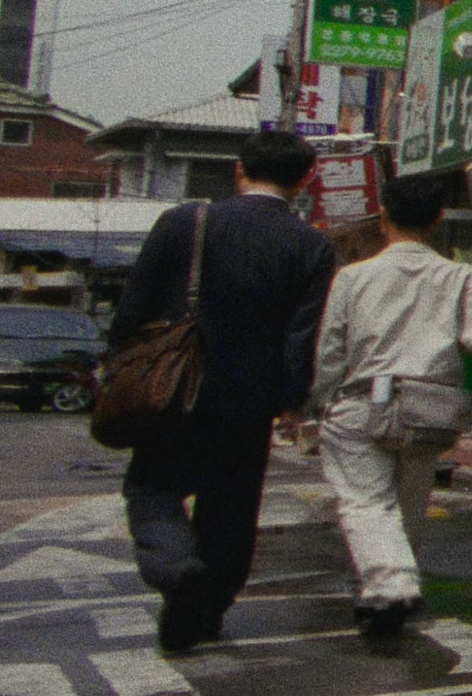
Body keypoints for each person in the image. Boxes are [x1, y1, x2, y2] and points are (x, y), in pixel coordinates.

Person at [118, 130, 340, 654]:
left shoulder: (183, 222)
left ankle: (175, 566)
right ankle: (206, 609)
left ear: (239, 170)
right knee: (232, 508)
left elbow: (133, 306)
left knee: (152, 488)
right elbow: (302, 334)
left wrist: (121, 365)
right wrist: (291, 401)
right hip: (249, 400)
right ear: (306, 179)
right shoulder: (311, 245)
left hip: (171, 389)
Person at [309, 170, 472, 646]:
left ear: (384, 219)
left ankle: (390, 585)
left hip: (363, 402)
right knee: (409, 502)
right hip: (429, 408)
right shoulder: (458, 276)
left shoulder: (353, 278)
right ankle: (385, 590)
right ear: (436, 220)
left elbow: (331, 349)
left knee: (366, 501)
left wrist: (316, 403)